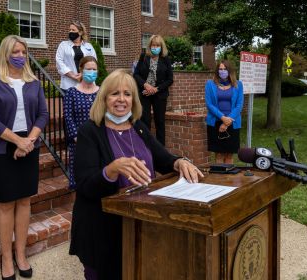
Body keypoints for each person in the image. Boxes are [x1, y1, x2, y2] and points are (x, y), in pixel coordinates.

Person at [69, 69, 203, 279]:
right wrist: (112, 170)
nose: (121, 99)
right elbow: (85, 184)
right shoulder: (90, 131)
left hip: (139, 221)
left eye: (127, 94)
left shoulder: (137, 126)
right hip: (102, 229)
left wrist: (179, 162)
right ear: (104, 98)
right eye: (115, 94)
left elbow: (162, 157)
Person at [0, 35, 49, 279]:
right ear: (5, 53)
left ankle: (21, 254)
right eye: (15, 51)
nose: (20, 55)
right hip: (2, 146)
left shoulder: (33, 81)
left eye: (23, 51)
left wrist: (28, 141)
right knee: (6, 203)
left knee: (25, 200)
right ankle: (6, 258)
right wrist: (17, 141)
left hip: (29, 144)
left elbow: (42, 114)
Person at [63, 56, 100, 189]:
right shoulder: (71, 93)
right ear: (81, 70)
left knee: (98, 177)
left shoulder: (101, 93)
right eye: (88, 69)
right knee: (81, 179)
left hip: (98, 141)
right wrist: (77, 137)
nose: (92, 72)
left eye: (94, 69)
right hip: (78, 143)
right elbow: (68, 117)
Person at [133, 35, 173, 146]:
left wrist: (156, 89)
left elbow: (170, 79)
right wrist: (145, 85)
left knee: (160, 122)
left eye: (157, 45)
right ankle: (145, 148)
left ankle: (161, 151)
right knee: (144, 121)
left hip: (159, 94)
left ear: (161, 46)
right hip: (144, 94)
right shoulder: (143, 57)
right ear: (149, 46)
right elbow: (136, 74)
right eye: (153, 45)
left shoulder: (165, 59)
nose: (155, 47)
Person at [204, 60, 244, 164]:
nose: (222, 71)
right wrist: (223, 118)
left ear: (230, 71)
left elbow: (239, 105)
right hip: (215, 122)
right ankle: (219, 178)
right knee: (219, 154)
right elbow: (209, 104)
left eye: (225, 69)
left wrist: (227, 121)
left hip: (233, 123)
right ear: (217, 71)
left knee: (229, 155)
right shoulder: (210, 84)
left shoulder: (238, 84)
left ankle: (229, 179)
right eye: (220, 69)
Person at [55, 21, 97, 92]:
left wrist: (83, 74)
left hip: (87, 82)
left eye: (73, 30)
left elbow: (94, 62)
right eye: (70, 30)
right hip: (68, 84)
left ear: (80, 32)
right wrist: (72, 75)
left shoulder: (88, 46)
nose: (70, 32)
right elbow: (59, 61)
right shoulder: (63, 45)